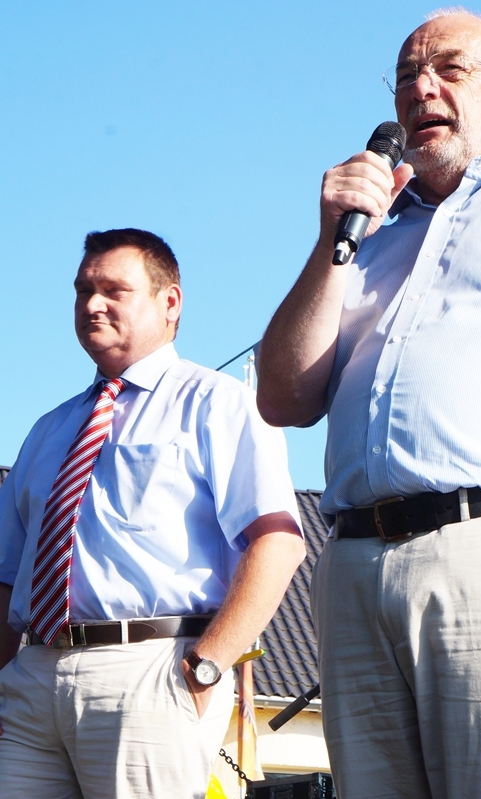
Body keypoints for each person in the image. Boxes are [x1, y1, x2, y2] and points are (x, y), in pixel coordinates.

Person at [256, 8, 481, 799]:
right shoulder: (364, 242)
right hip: (352, 564)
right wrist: (330, 241)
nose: (419, 88)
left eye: (449, 69)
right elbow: (282, 396)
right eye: (404, 77)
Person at [0, 228, 306, 799]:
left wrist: (206, 667)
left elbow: (278, 542)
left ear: (170, 303)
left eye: (114, 290)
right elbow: (6, 574)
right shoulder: (47, 430)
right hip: (31, 680)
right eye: (83, 290)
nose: (92, 304)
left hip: (150, 669)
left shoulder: (217, 402)